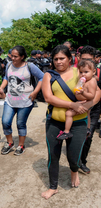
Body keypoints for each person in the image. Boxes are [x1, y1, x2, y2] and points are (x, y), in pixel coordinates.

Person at [41, 45, 101, 200]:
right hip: (54, 122)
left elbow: (98, 93)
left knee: (74, 157)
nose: (59, 62)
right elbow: (48, 98)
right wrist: (72, 105)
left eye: (62, 58)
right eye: (56, 59)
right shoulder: (49, 75)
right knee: (53, 156)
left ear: (69, 58)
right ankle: (53, 186)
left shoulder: (79, 71)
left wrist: (86, 106)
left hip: (79, 123)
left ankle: (74, 170)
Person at [0, 45, 44, 155]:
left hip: (25, 101)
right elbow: (6, 78)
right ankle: (9, 142)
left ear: (22, 56)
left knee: (20, 124)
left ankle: (21, 145)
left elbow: (42, 77)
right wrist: (1, 88)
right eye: (11, 56)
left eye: (16, 56)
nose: (13, 58)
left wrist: (35, 92)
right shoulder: (9, 65)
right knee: (5, 122)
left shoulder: (30, 66)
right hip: (10, 100)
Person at [56, 59, 97, 140]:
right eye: (81, 72)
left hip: (85, 102)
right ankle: (87, 130)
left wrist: (83, 93)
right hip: (80, 101)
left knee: (68, 113)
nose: (83, 75)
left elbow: (92, 96)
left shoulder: (92, 81)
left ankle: (66, 132)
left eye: (86, 72)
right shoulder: (84, 80)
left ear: (94, 72)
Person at [78, 45, 101, 174]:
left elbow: (99, 92)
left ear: (95, 59)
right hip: (78, 105)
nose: (85, 62)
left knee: (88, 135)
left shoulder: (98, 72)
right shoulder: (77, 72)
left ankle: (82, 161)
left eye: (89, 59)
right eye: (83, 59)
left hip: (93, 108)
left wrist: (88, 106)